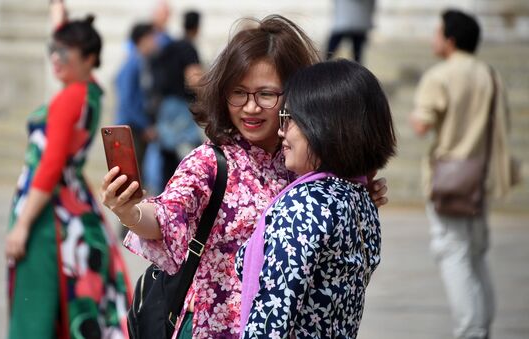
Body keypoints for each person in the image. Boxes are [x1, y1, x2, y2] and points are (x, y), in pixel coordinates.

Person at [101, 15, 388, 339]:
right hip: (216, 327)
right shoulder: (211, 161)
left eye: (266, 94)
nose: (250, 108)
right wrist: (129, 210)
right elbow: (167, 216)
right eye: (239, 93)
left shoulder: (307, 160)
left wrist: (360, 192)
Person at [237, 59, 396, 338]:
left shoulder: (304, 206)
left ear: (325, 126)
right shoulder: (360, 199)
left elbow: (271, 319)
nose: (281, 131)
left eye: (290, 119)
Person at [5, 1, 131, 338]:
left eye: (66, 52)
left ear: (89, 58)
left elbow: (49, 167)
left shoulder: (67, 99)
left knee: (34, 315)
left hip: (49, 216)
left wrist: (22, 225)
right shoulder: (90, 92)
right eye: (54, 49)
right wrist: (58, 17)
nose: (56, 57)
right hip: (75, 211)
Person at [410, 9, 517, 339]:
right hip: (480, 176)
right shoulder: (489, 74)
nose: (433, 39)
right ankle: (482, 325)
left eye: (437, 33)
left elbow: (421, 125)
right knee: (476, 254)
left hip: (449, 178)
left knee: (452, 253)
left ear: (450, 40)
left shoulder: (440, 76)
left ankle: (471, 330)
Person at [156, 10, 205, 186]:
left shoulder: (170, 46)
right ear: (197, 27)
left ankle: (164, 192)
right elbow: (193, 78)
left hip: (165, 105)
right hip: (180, 106)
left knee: (167, 152)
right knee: (191, 153)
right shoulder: (188, 47)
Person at [115, 22, 158, 168]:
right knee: (131, 177)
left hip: (135, 128)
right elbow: (127, 100)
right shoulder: (132, 64)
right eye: (152, 38)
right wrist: (145, 125)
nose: (155, 42)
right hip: (130, 128)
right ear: (143, 39)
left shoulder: (142, 62)